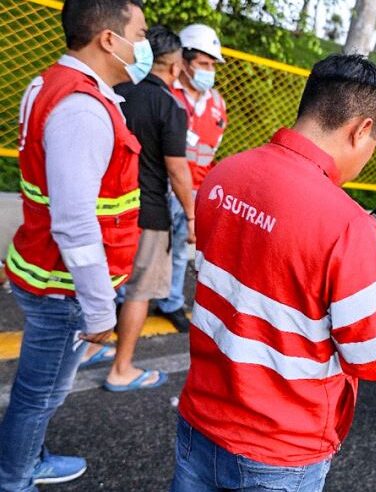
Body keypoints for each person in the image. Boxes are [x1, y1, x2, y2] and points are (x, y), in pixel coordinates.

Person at [170, 54, 376, 492]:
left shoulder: (226, 174)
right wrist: (368, 261)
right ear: (360, 130)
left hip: (199, 421)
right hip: (279, 453)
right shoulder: (348, 226)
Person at [0, 0, 148, 488]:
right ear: (110, 38)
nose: (143, 45)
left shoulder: (51, 83)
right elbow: (75, 222)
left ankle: (27, 458)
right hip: (62, 285)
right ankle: (15, 475)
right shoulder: (83, 108)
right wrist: (101, 308)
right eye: (140, 33)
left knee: (38, 390)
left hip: (44, 268)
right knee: (40, 393)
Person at [99, 25, 196, 391]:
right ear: (174, 68)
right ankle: (121, 368)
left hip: (105, 207)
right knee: (138, 292)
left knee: (100, 283)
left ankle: (92, 347)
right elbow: (177, 169)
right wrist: (190, 215)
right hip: (148, 213)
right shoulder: (169, 106)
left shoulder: (112, 91)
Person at [155, 24, 228, 332]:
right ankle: (122, 300)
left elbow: (210, 152)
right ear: (183, 61)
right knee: (144, 247)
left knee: (180, 252)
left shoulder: (217, 104)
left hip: (194, 192)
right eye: (204, 63)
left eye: (212, 65)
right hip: (158, 188)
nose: (209, 71)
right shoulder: (164, 94)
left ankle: (170, 301)